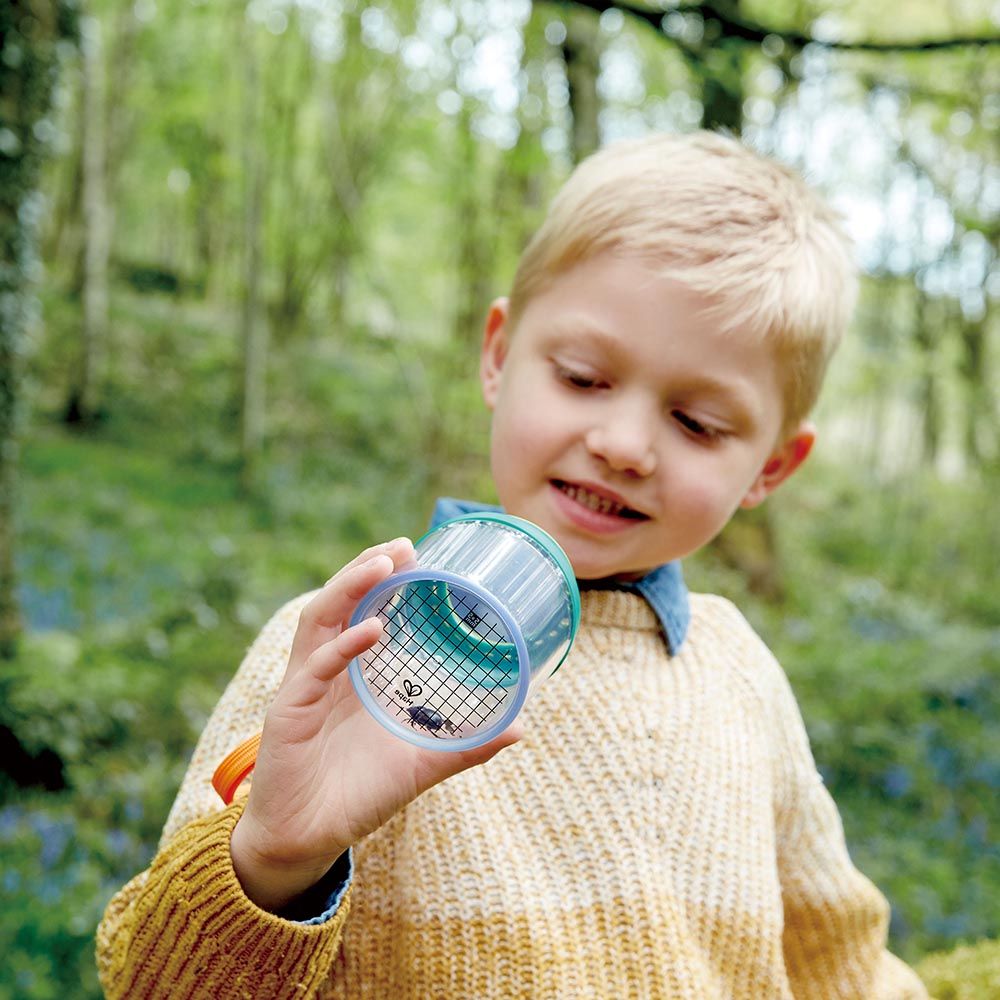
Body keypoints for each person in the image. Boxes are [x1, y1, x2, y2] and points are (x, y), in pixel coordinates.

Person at [96, 131, 928, 999]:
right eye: (582, 378)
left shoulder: (740, 676)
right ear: (498, 355)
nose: (623, 445)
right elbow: (154, 983)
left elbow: (842, 960)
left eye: (698, 424)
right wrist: (273, 858)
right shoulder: (345, 650)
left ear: (770, 468)